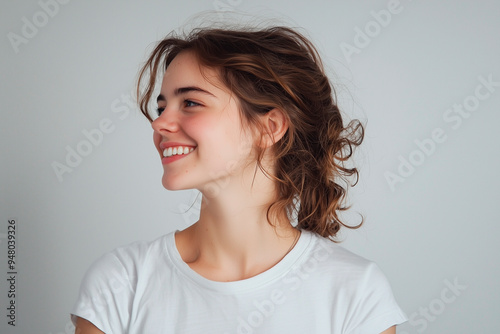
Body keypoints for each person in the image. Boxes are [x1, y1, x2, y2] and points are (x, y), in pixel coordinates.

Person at [71, 24, 407, 333]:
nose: (159, 124)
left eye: (190, 102)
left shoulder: (356, 292)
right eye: (162, 108)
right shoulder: (121, 283)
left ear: (269, 127)